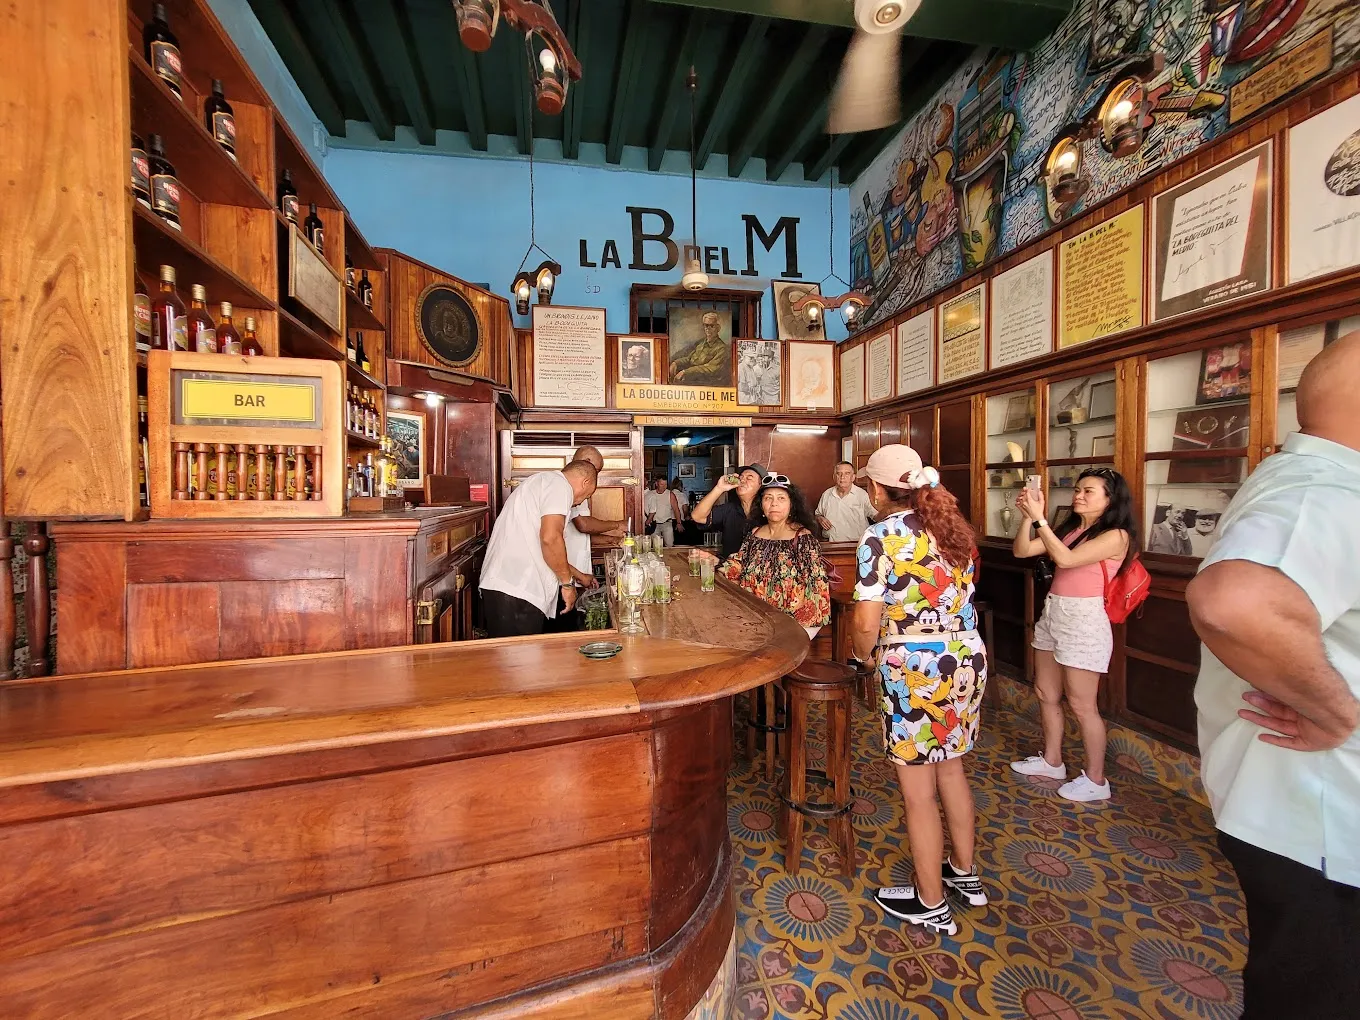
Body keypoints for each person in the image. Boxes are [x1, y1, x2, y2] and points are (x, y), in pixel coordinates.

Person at [1186, 330, 1360, 1017]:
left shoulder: (1305, 478)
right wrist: (1340, 711)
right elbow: (1237, 602)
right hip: (1321, 818)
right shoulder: (1327, 492)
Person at [848, 445, 987, 935]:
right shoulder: (954, 527)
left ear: (877, 488)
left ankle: (931, 902)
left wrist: (862, 656)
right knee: (951, 767)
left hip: (914, 664)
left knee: (917, 792)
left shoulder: (879, 536)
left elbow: (866, 620)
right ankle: (964, 874)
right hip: (966, 657)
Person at [1008, 469, 1138, 802]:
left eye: (1088, 491)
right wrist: (1028, 517)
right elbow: (1022, 551)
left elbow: (1064, 559)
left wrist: (1041, 521)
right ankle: (1052, 761)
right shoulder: (1072, 529)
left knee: (1082, 704)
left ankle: (1096, 779)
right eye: (1077, 490)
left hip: (1084, 620)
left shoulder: (1116, 536)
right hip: (1054, 611)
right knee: (1045, 691)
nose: (1078, 495)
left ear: (1110, 499)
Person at [479, 460, 598, 638]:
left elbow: (545, 550)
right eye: (588, 495)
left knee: (517, 662)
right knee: (518, 663)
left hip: (508, 589)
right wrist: (567, 585)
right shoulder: (559, 485)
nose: (582, 501)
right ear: (585, 482)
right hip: (516, 591)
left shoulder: (542, 483)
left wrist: (580, 576)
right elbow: (550, 539)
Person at [715, 473, 830, 636]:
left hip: (791, 623)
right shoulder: (755, 533)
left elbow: (817, 587)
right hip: (754, 618)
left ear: (792, 505)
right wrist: (715, 562)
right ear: (761, 505)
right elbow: (738, 564)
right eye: (768, 498)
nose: (774, 503)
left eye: (781, 498)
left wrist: (803, 632)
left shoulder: (802, 537)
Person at [551, 445, 622, 632]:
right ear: (587, 465)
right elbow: (582, 525)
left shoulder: (567, 490)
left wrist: (611, 541)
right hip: (561, 577)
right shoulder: (565, 490)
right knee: (561, 633)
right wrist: (616, 525)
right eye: (596, 471)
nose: (596, 478)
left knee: (571, 628)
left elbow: (578, 536)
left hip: (571, 574)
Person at [691, 463, 765, 557]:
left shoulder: (766, 513)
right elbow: (697, 516)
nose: (742, 480)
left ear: (761, 485)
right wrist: (719, 488)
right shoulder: (729, 509)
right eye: (741, 477)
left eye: (749, 478)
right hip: (728, 569)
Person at [815, 461, 877, 541]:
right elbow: (817, 514)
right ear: (834, 477)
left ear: (853, 477)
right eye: (838, 473)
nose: (842, 477)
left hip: (856, 544)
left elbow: (877, 517)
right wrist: (820, 519)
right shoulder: (827, 494)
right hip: (831, 544)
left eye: (847, 473)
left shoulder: (862, 495)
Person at [670, 311, 731, 386]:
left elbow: (711, 368)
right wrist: (676, 363)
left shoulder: (722, 348)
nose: (708, 329)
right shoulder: (701, 344)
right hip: (693, 381)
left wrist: (686, 372)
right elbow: (691, 359)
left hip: (708, 385)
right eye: (706, 325)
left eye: (711, 326)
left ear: (718, 328)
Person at [643, 476, 684, 547]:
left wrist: (679, 522)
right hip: (654, 524)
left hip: (667, 523)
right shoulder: (651, 494)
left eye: (665, 484)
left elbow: (676, 509)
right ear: (656, 484)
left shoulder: (670, 494)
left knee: (670, 545)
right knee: (656, 546)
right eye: (662, 484)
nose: (664, 486)